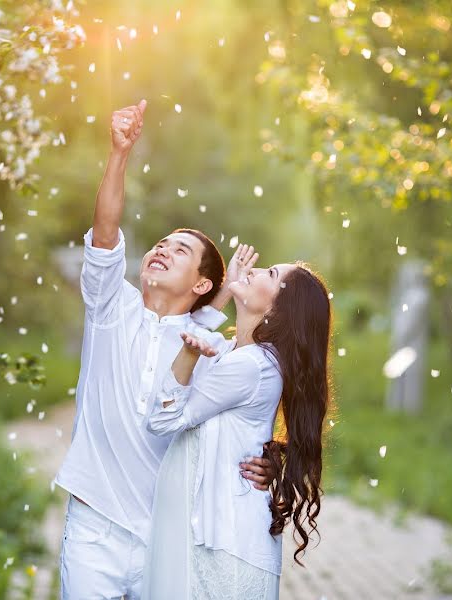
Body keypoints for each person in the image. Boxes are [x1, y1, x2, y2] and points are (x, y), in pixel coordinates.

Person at [54, 100, 274, 599]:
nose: (160, 250)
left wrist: (271, 458)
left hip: (171, 532)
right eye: (160, 243)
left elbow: (249, 406)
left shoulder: (207, 344)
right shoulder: (111, 306)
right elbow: (106, 231)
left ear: (199, 284)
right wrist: (119, 153)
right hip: (95, 522)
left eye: (180, 250)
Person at [144, 260, 333, 599]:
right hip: (220, 535)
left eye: (270, 275)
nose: (256, 271)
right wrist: (273, 451)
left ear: (278, 310)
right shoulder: (235, 354)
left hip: (226, 543)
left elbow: (162, 420)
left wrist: (189, 354)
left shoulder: (250, 364)